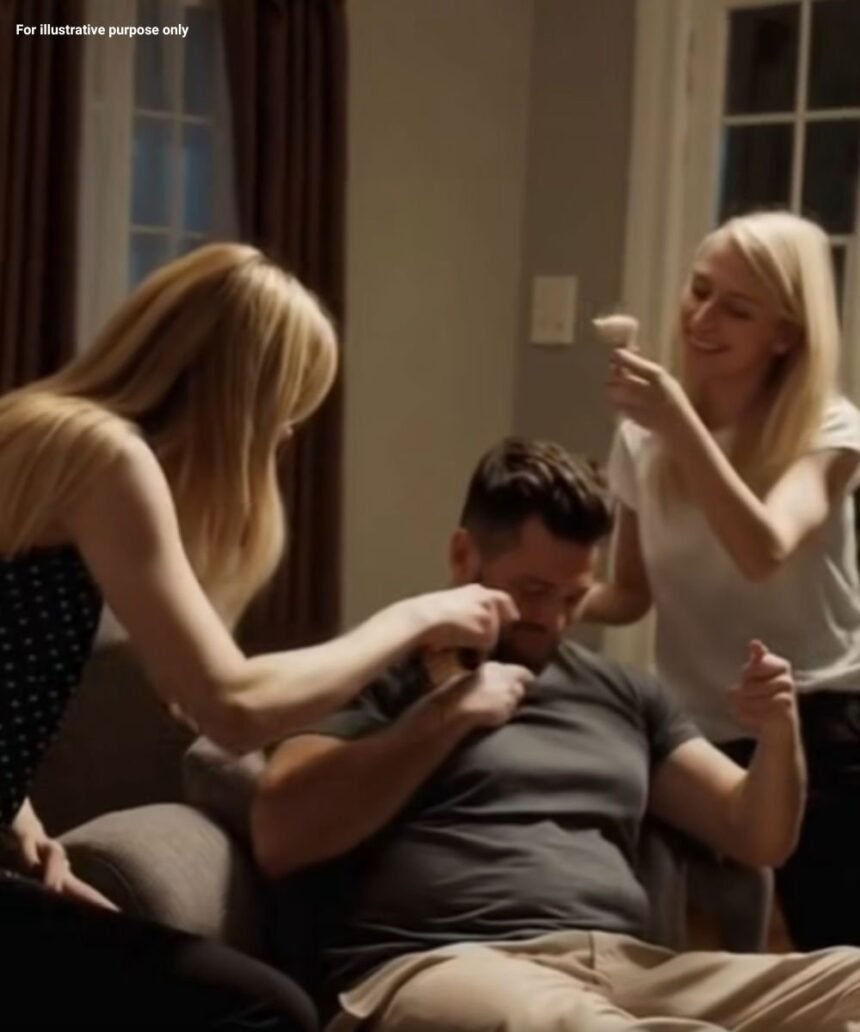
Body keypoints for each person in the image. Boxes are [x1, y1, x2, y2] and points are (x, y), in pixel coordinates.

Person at [0, 243, 517, 1029]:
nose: (287, 437)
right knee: (263, 1010)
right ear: (241, 399)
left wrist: (21, 826)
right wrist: (413, 616)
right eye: (287, 409)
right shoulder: (103, 456)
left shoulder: (43, 432)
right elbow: (232, 707)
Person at [251, 438, 860, 1032]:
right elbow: (281, 832)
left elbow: (756, 834)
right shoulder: (381, 671)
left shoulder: (623, 694)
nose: (553, 619)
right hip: (454, 965)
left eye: (574, 596)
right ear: (464, 557)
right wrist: (445, 717)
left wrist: (778, 730)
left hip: (628, 970)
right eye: (533, 591)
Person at [579, 210, 860, 950]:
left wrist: (679, 426)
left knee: (834, 948)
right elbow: (630, 593)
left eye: (736, 309)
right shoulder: (642, 437)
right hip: (695, 732)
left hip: (820, 720)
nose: (702, 319)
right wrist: (543, 598)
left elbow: (763, 549)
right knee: (700, 942)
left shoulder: (831, 431)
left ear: (784, 335)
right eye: (698, 291)